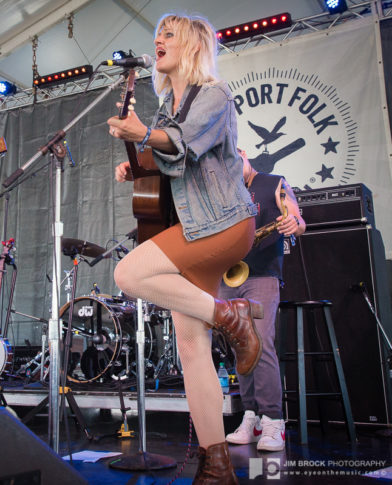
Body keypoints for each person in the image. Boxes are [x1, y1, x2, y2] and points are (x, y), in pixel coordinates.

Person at [108, 14, 262, 483]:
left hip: (223, 224)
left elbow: (184, 145)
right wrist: (137, 164)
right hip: (193, 230)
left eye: (168, 34)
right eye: (157, 34)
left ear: (192, 45)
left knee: (128, 275)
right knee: (192, 353)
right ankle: (216, 463)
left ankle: (231, 316)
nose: (158, 40)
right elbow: (165, 156)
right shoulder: (162, 108)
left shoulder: (214, 94)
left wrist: (146, 139)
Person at [223, 149, 305, 452]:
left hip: (262, 276)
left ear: (243, 155)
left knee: (261, 343)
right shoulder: (225, 190)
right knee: (240, 347)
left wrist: (294, 222)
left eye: (233, 161)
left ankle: (273, 420)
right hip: (228, 276)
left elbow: (297, 216)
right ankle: (251, 416)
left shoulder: (273, 182)